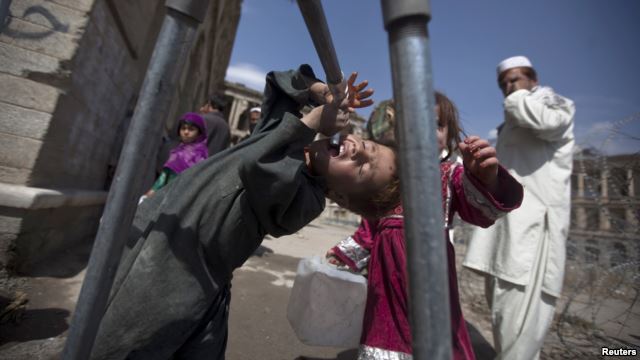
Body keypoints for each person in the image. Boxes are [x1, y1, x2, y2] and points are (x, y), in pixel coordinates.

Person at [89, 65, 394, 360]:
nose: (360, 150)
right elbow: (280, 81)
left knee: (121, 344)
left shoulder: (306, 198)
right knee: (102, 316)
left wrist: (314, 120)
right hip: (157, 233)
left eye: (365, 167)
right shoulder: (278, 132)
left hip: (181, 278)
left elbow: (261, 166)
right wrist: (322, 92)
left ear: (340, 196)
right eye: (368, 145)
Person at [326, 93, 524, 360]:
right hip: (386, 289)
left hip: (434, 292)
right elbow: (370, 228)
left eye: (437, 125)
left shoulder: (447, 176)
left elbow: (480, 210)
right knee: (386, 339)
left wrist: (487, 179)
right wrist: (343, 255)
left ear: (448, 138)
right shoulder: (384, 180)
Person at [463, 56, 575, 359]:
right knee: (505, 322)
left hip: (533, 236)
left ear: (533, 80)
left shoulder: (555, 105)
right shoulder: (510, 123)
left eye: (515, 79)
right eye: (504, 84)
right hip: (506, 233)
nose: (509, 87)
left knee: (518, 336)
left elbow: (547, 123)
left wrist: (517, 97)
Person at [143, 112, 209, 199]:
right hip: (168, 196)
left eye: (191, 129)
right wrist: (151, 192)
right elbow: (164, 176)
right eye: (183, 128)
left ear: (199, 133)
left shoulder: (201, 155)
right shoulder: (177, 152)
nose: (186, 132)